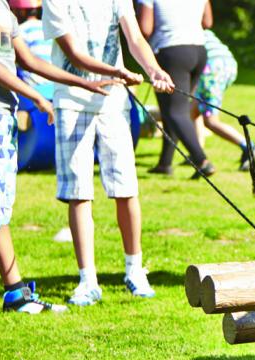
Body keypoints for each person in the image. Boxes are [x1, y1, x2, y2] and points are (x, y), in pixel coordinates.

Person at [0, 0, 117, 326]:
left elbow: (29, 60)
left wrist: (84, 82)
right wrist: (36, 97)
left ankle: (16, 293)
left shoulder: (0, 8)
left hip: (2, 115)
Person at [42, 0, 175, 306]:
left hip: (113, 104)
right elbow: (74, 53)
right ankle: (88, 280)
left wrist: (155, 69)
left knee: (126, 187)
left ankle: (134, 271)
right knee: (78, 192)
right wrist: (117, 71)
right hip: (71, 102)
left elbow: (135, 38)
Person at [137, 0, 215, 177]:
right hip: (198, 50)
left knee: (174, 112)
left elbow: (145, 29)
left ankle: (201, 160)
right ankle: (165, 162)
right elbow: (207, 22)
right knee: (173, 109)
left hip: (171, 51)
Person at [192, 28, 255, 172]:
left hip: (211, 68)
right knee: (193, 111)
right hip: (226, 65)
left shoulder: (183, 30)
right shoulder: (197, 22)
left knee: (210, 121)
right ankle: (197, 154)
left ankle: (249, 146)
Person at [9, 0, 52, 86]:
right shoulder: (48, 29)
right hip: (53, 85)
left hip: (31, 87)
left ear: (20, 11)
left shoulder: (20, 31)